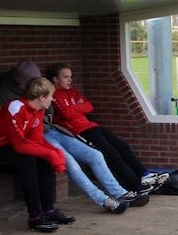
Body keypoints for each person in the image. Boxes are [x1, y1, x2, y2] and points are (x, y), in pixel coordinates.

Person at [0, 62, 149, 214]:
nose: (50, 98)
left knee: (95, 154)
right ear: (23, 84)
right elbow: (17, 136)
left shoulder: (41, 100)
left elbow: (59, 112)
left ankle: (120, 193)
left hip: (51, 132)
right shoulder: (7, 99)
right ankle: (104, 200)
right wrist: (52, 153)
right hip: (25, 139)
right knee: (69, 162)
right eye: (32, 83)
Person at [46, 62, 169, 194]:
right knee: (111, 154)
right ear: (55, 79)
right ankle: (136, 185)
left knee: (122, 146)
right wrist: (77, 108)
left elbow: (89, 106)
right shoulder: (53, 95)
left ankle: (145, 175)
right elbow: (65, 113)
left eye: (70, 76)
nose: (70, 80)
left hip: (93, 126)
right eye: (66, 77)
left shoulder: (72, 91)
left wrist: (73, 108)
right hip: (80, 131)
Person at [0, 77, 75, 232]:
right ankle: (35, 218)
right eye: (51, 96)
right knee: (27, 161)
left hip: (6, 145)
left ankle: (48, 210)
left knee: (43, 159)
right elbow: (20, 145)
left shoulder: (39, 109)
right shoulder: (16, 108)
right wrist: (52, 155)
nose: (52, 99)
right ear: (41, 97)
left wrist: (55, 153)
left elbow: (36, 141)